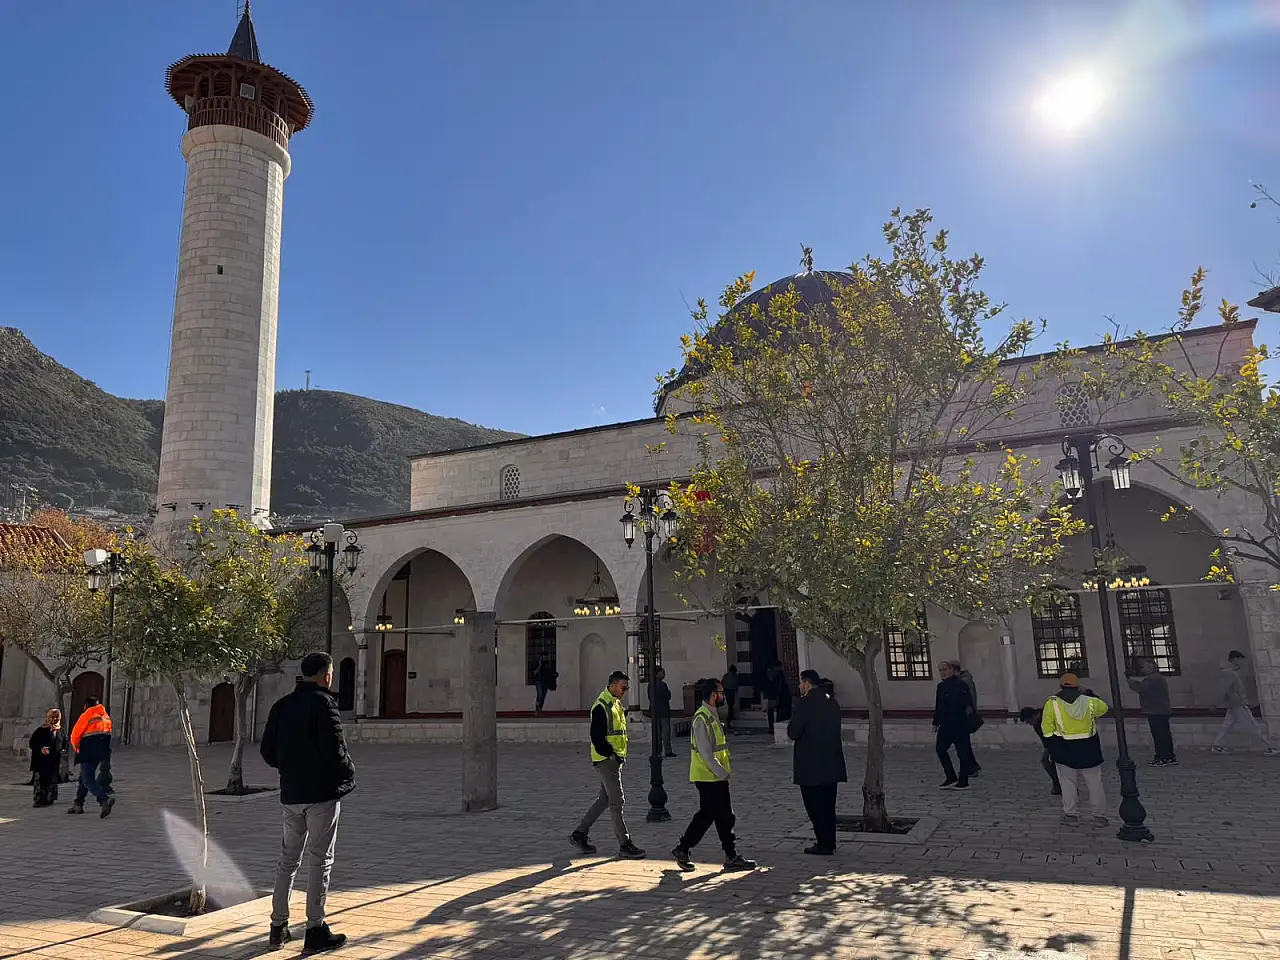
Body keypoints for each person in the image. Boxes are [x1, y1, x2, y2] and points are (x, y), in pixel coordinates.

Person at [260, 651, 355, 954]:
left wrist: (289, 768)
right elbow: (335, 750)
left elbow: (267, 750)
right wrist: (348, 772)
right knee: (320, 859)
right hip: (320, 795)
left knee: (288, 859)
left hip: (291, 794)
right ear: (325, 674)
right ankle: (315, 928)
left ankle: (278, 927)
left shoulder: (282, 705)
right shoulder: (323, 704)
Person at [672, 678, 757, 871]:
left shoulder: (712, 715)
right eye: (721, 693)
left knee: (723, 816)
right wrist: (721, 772)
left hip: (715, 776)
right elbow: (705, 752)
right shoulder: (701, 718)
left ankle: (730, 855)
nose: (723, 696)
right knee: (709, 815)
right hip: (707, 776)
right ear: (713, 695)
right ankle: (684, 847)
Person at [570, 671, 645, 859]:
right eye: (623, 687)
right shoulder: (601, 705)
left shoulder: (616, 704)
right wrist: (610, 755)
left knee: (604, 799)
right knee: (617, 800)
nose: (625, 691)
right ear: (612, 685)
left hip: (614, 759)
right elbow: (597, 737)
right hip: (606, 760)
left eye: (627, 688)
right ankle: (624, 844)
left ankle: (579, 833)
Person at [788, 669, 847, 855]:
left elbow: (793, 732)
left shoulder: (804, 703)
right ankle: (830, 841)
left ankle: (824, 843)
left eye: (801, 683)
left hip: (810, 764)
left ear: (807, 683)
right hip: (831, 761)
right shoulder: (832, 702)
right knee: (829, 806)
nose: (800, 687)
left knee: (815, 806)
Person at [1041, 673, 1109, 825]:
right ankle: (1099, 816)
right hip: (1088, 746)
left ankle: (1071, 815)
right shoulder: (1090, 701)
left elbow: (1046, 728)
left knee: (1067, 783)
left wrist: (1052, 744)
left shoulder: (1052, 703)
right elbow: (1104, 708)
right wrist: (1088, 692)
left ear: (1061, 686)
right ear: (1078, 686)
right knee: (1094, 782)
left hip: (1063, 747)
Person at [1211, 651, 1279, 756]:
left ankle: (1217, 745)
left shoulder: (1233, 672)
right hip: (1237, 704)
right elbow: (1223, 689)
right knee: (1252, 725)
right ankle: (1267, 748)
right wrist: (1215, 703)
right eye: (1240, 659)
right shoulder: (1229, 673)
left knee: (1227, 725)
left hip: (1236, 704)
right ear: (1234, 659)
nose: (1242, 662)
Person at [68, 696, 115, 818]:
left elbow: (75, 734)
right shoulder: (106, 717)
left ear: (86, 706)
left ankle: (104, 800)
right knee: (83, 777)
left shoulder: (87, 715)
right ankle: (78, 804)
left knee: (88, 780)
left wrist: (77, 749)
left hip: (88, 751)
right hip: (101, 752)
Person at [932, 662, 975, 790]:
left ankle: (963, 781)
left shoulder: (961, 685)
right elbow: (938, 706)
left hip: (959, 724)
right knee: (940, 749)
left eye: (945, 669)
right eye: (940, 670)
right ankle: (950, 776)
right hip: (945, 725)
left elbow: (968, 703)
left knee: (962, 753)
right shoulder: (940, 686)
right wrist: (935, 722)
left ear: (951, 669)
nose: (942, 672)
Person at [1127, 658, 1176, 765]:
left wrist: (1130, 681)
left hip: (1155, 711)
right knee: (1164, 735)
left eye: (1144, 667)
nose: (1142, 669)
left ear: (1150, 667)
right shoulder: (1158, 678)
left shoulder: (1152, 679)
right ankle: (1169, 757)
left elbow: (1141, 689)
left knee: (1159, 736)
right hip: (1162, 710)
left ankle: (1162, 757)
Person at [1018, 706, 1061, 796]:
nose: (1030, 724)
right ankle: (1057, 783)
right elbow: (1043, 739)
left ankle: (1063, 785)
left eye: (1029, 721)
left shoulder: (1048, 716)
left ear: (1034, 715)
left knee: (1060, 764)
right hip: (1050, 745)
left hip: (1061, 741)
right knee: (1046, 761)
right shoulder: (1036, 724)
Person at [950, 660, 982, 776]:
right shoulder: (963, 680)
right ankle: (972, 766)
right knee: (964, 744)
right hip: (962, 715)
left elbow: (967, 700)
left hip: (963, 716)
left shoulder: (963, 682)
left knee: (962, 745)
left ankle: (970, 768)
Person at [29, 709, 63, 808]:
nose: (55, 719)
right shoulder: (41, 730)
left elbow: (63, 741)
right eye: (52, 717)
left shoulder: (60, 730)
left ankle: (49, 798)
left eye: (57, 717)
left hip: (53, 761)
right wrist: (41, 749)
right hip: (41, 761)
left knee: (51, 780)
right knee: (40, 781)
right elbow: (32, 743)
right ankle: (39, 799)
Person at [650, 666, 675, 757]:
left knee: (657, 732)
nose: (664, 674)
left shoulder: (651, 684)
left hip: (655, 711)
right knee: (666, 732)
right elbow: (667, 696)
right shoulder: (662, 685)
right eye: (662, 672)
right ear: (657, 674)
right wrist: (669, 693)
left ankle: (657, 750)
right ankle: (668, 750)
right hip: (663, 710)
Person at [772, 663, 794, 747]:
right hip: (784, 698)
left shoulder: (778, 675)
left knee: (782, 715)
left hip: (782, 698)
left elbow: (777, 688)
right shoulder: (781, 675)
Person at [721, 665, 740, 731]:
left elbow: (722, 683)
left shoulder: (726, 676)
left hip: (727, 691)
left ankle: (730, 717)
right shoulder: (735, 676)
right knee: (731, 705)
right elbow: (737, 683)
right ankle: (729, 718)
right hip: (732, 691)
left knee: (730, 705)